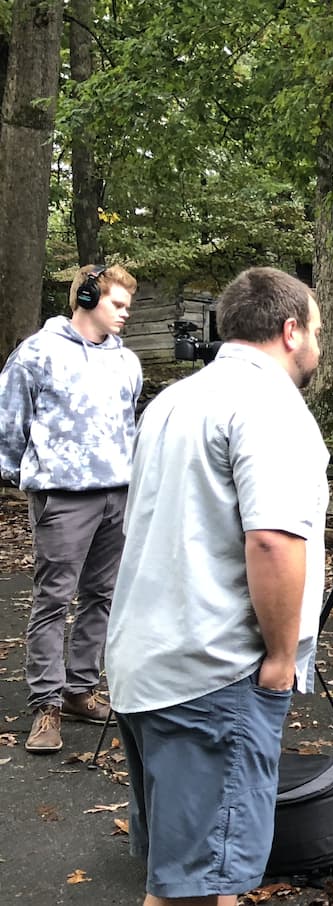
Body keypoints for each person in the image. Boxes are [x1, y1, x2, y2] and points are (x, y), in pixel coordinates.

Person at [105, 267, 327, 906]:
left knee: (199, 876)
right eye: (316, 331)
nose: (318, 344)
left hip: (148, 660)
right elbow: (273, 540)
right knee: (194, 892)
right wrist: (281, 659)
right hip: (213, 675)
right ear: (290, 331)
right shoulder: (270, 406)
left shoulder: (173, 400)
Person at [0, 264, 141, 755]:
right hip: (62, 497)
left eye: (128, 305)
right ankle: (47, 704)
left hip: (117, 494)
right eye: (117, 303)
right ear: (86, 297)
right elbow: (9, 421)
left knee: (101, 595)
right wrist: (23, 476)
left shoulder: (127, 361)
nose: (125, 313)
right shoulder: (37, 353)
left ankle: (80, 690)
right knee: (53, 600)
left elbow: (129, 423)